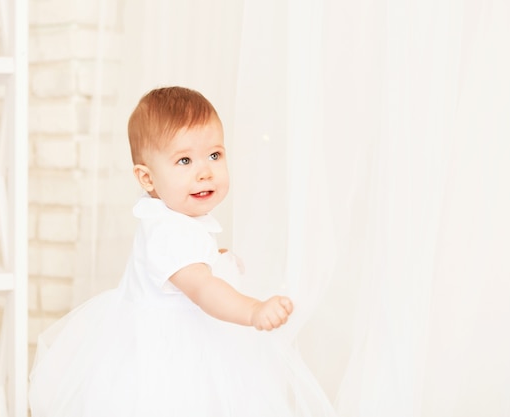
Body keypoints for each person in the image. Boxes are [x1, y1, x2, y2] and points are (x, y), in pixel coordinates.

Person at [29, 86, 336, 417]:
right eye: (185, 160)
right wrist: (253, 310)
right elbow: (203, 288)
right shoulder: (170, 232)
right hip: (169, 355)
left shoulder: (169, 221)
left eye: (215, 155)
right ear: (147, 178)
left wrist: (215, 258)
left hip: (174, 341)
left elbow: (186, 268)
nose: (204, 171)